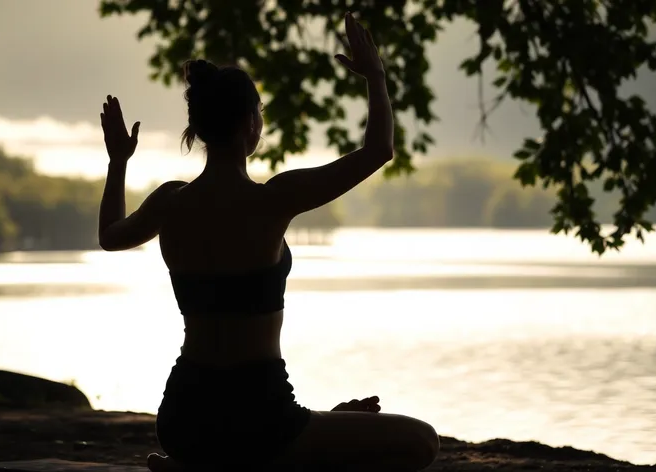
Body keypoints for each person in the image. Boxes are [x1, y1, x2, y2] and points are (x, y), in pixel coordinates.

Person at [97, 12, 439, 472]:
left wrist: (118, 161)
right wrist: (375, 75)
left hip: (183, 422)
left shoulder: (169, 202)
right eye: (259, 112)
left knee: (301, 433)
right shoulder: (274, 199)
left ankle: (232, 457)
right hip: (262, 422)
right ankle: (299, 443)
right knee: (422, 441)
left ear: (198, 129)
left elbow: (109, 236)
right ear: (248, 124)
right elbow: (379, 150)